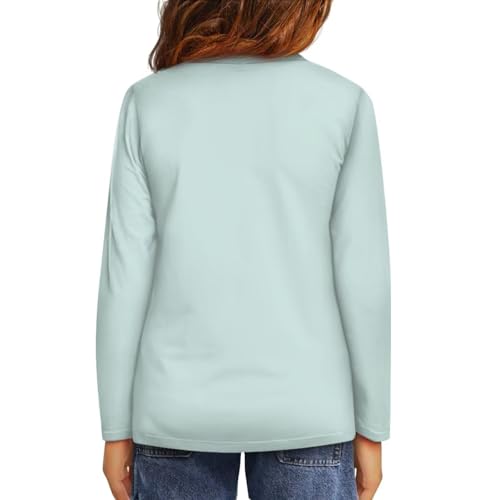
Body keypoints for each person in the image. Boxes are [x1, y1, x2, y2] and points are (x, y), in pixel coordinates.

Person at [96, 1, 391, 499]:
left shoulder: (148, 103)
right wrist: (373, 424)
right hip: (308, 408)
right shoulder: (343, 102)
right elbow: (364, 279)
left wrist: (115, 426)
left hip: (174, 410)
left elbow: (124, 278)